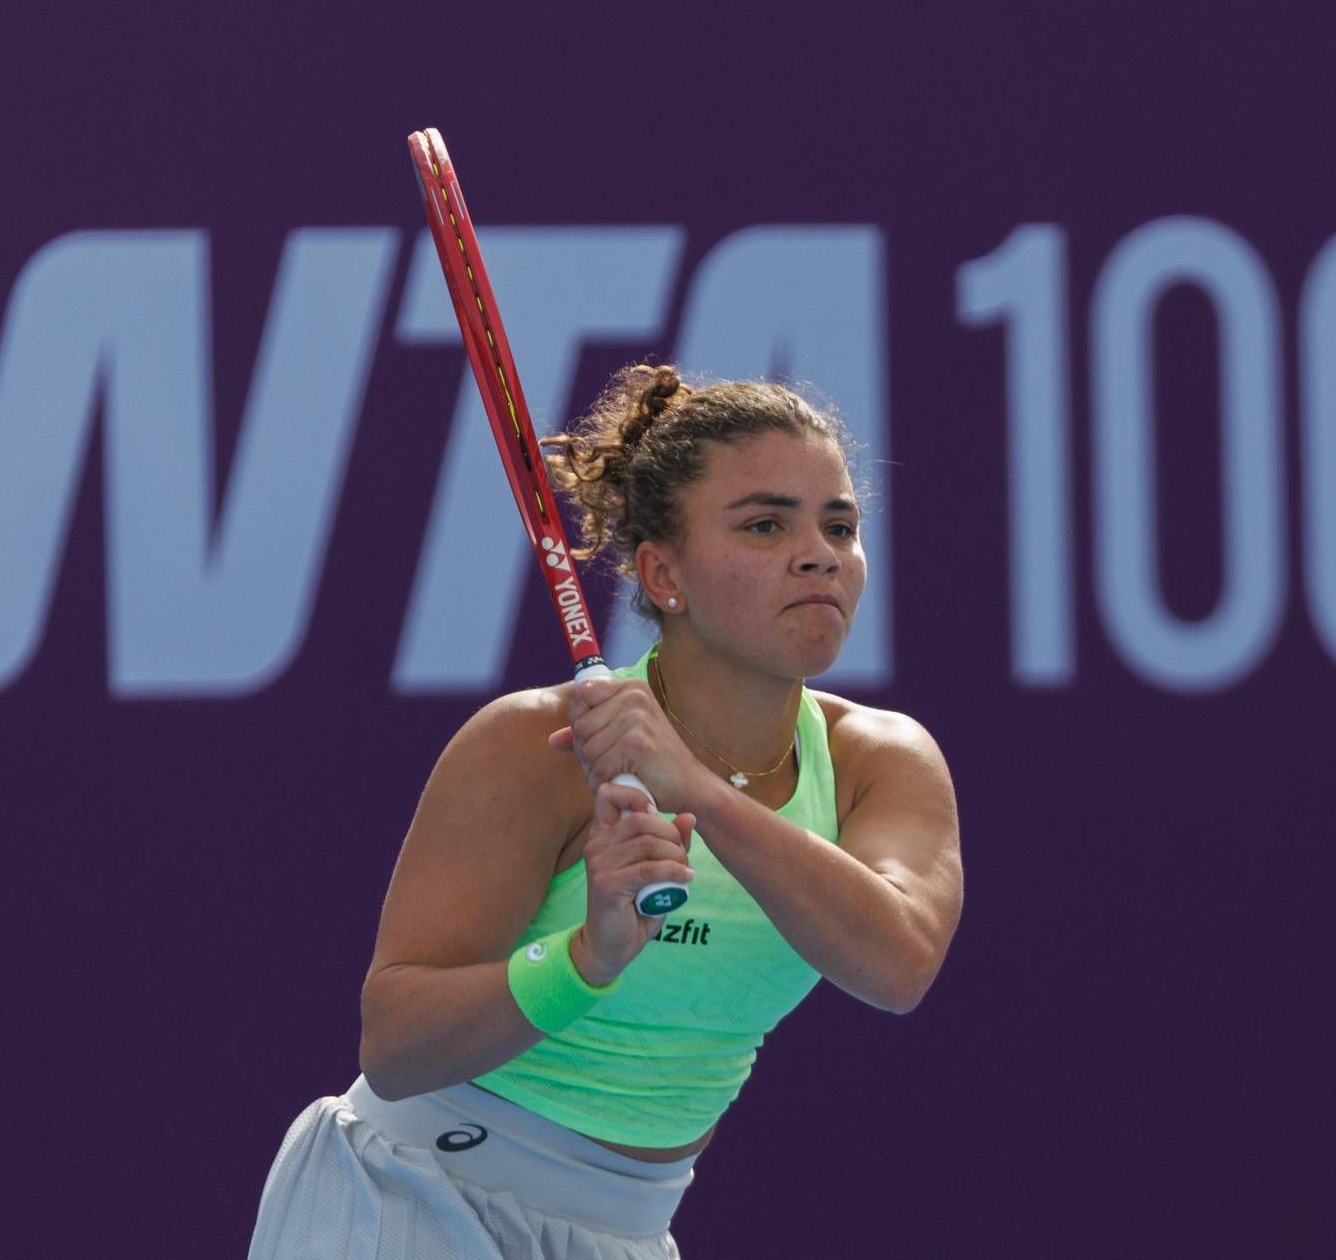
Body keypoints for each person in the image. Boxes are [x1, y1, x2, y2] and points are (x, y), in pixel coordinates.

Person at [248, 364, 963, 1259]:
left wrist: (696, 791)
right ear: (665, 574)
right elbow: (395, 1044)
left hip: (625, 1232)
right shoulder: (536, 747)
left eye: (840, 525)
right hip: (409, 1195)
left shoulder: (879, 762)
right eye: (765, 524)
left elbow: (897, 966)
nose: (819, 551)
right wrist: (587, 960)